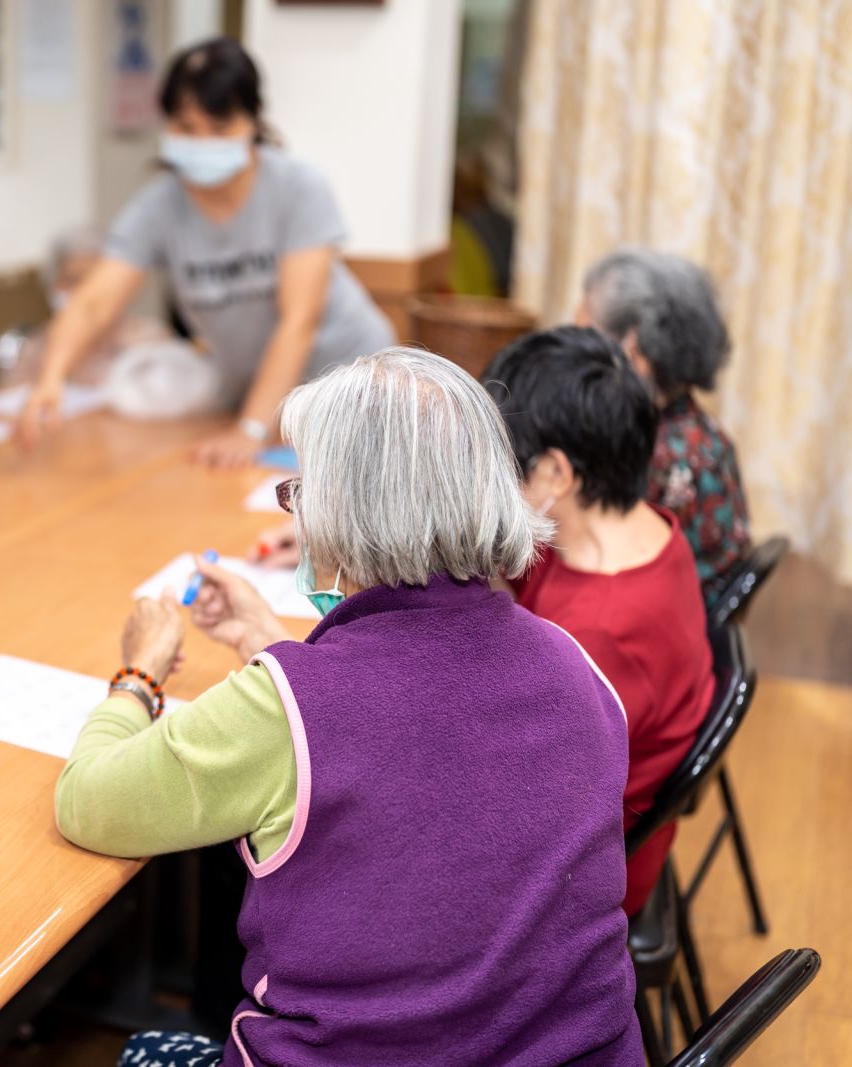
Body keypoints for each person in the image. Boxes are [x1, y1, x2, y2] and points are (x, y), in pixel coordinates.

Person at [57, 348, 640, 1066]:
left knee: (147, 1052)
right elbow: (431, 759)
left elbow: (87, 801)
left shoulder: (284, 707)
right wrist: (267, 644)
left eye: (302, 489)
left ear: (342, 510)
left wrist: (138, 675)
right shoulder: (576, 665)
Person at [17, 37, 395, 468]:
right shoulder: (158, 208)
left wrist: (250, 429)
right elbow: (93, 303)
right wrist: (50, 377)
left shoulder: (298, 188)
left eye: (218, 129)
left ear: (253, 122)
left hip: (350, 388)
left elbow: (298, 322)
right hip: (258, 398)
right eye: (185, 128)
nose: (200, 143)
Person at [484, 326, 713, 916]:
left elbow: (520, 801)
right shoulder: (640, 532)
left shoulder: (599, 634)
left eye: (504, 463)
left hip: (574, 884)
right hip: (574, 810)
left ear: (558, 475)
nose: (493, 480)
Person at [578, 248, 751, 608]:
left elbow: (605, 582)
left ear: (634, 347)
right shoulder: (696, 433)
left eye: (584, 340)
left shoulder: (662, 457)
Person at [1, 227, 180, 388]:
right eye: (72, 279)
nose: (83, 293)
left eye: (92, 281)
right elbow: (7, 401)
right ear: (53, 283)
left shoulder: (148, 340)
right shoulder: (38, 346)